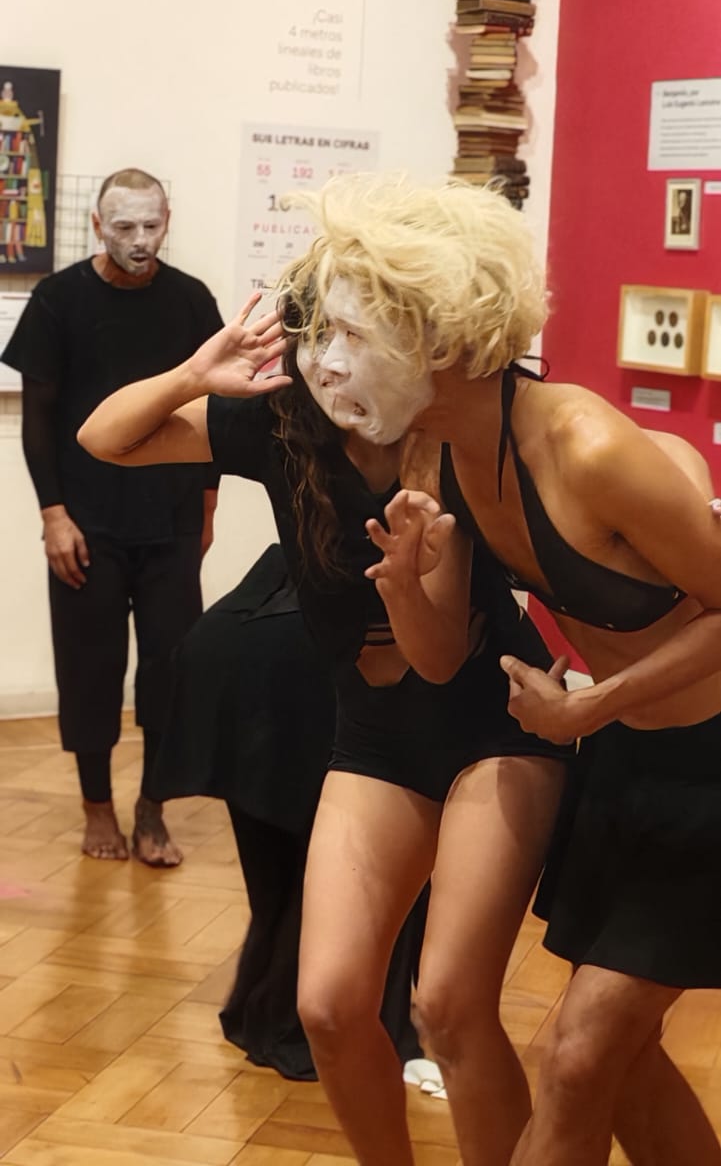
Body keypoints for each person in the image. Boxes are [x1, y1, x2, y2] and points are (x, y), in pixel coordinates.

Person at [272, 170, 721, 1166]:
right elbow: (437, 660)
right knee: (623, 1066)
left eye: (355, 334)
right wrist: (401, 586)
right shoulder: (435, 452)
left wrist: (593, 704)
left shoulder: (583, 445)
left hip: (706, 764)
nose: (327, 364)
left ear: (439, 335)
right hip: (629, 767)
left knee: (576, 1058)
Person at [78, 288, 572, 1166]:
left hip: (496, 726)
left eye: (361, 338)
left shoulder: (448, 433)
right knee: (330, 1007)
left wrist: (402, 577)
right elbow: (103, 437)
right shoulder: (284, 425)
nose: (338, 362)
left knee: (447, 1007)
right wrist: (194, 373)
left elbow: (435, 659)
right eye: (325, 338)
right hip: (374, 735)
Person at [1, 167, 223, 865]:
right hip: (86, 524)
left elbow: (213, 410)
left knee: (170, 668)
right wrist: (53, 515)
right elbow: (39, 422)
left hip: (171, 520)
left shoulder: (191, 301)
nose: (139, 239)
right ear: (97, 225)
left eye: (151, 224)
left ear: (168, 220)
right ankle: (97, 807)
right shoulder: (58, 300)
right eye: (124, 226)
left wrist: (207, 508)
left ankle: (153, 808)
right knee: (90, 668)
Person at [151, 540, 429, 1083]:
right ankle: (309, 1023)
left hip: (231, 648)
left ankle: (262, 1011)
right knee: (363, 869)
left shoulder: (318, 525)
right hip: (309, 668)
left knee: (280, 881)